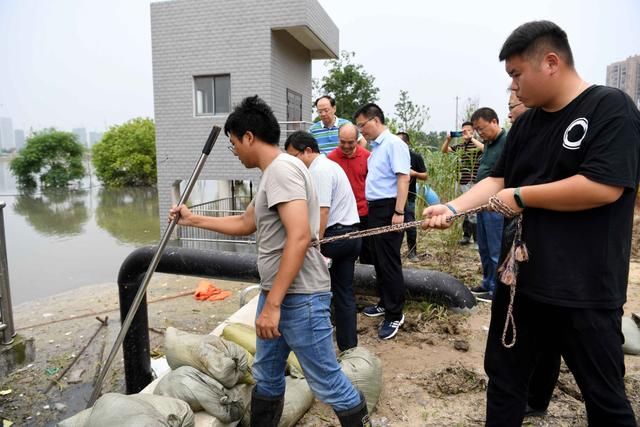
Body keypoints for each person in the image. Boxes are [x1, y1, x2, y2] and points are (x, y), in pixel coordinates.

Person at [423, 20, 640, 426]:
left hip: (585, 290)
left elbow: (603, 185)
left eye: (517, 75)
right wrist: (453, 209)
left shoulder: (610, 109)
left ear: (551, 62)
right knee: (504, 381)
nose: (513, 88)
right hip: (521, 284)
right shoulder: (527, 124)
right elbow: (498, 178)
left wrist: (522, 197)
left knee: (604, 396)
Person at [169, 96, 370, 426]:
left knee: (327, 382)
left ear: (249, 137)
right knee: (267, 375)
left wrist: (273, 305)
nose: (234, 151)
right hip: (277, 294)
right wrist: (192, 220)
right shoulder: (272, 174)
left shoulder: (282, 171)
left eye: (234, 144)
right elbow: (246, 223)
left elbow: (300, 235)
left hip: (299, 297)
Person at [508, 88, 562, 417]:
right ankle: (534, 397)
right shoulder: (522, 137)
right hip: (525, 248)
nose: (511, 110)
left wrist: (519, 196)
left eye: (513, 104)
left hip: (558, 265)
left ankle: (538, 397)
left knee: (552, 339)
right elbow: (498, 180)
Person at [284, 130, 361, 352]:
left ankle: (312, 341)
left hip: (336, 236)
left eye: (293, 157)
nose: (292, 163)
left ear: (307, 151)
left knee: (308, 283)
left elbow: (322, 211)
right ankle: (349, 347)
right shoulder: (330, 166)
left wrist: (313, 245)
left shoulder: (319, 170)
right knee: (344, 293)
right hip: (352, 235)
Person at [355, 103, 410, 340]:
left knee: (388, 262)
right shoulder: (377, 147)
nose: (361, 131)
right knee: (378, 259)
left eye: (362, 125)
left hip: (390, 208)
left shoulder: (394, 144)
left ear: (375, 120)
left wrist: (398, 212)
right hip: (376, 209)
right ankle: (384, 302)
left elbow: (403, 178)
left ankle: (395, 313)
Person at [468, 108, 507, 301]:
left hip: (496, 204)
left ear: (494, 121)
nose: (480, 133)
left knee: (495, 248)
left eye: (482, 128)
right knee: (483, 245)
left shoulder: (507, 141)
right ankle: (487, 281)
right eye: (477, 130)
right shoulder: (489, 143)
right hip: (482, 203)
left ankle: (495, 289)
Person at [328, 123, 374, 264]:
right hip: (340, 217)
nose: (346, 146)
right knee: (343, 255)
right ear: (338, 139)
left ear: (357, 139)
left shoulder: (367, 157)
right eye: (342, 142)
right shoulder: (330, 159)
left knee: (368, 252)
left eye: (350, 142)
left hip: (363, 212)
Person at [441, 121, 483, 244]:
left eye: (468, 130)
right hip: (462, 181)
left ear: (473, 131)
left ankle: (476, 240)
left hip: (474, 181)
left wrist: (471, 138)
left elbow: (485, 149)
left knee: (474, 210)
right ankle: (466, 236)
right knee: (465, 209)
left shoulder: (477, 144)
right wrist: (448, 140)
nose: (465, 133)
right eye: (463, 131)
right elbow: (444, 150)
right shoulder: (460, 146)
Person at [396, 131, 427, 261]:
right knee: (395, 227)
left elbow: (425, 176)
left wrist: (414, 173)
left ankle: (412, 251)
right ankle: (394, 252)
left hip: (409, 196)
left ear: (407, 143)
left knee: (410, 224)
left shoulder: (415, 157)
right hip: (393, 196)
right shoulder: (392, 156)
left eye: (400, 143)